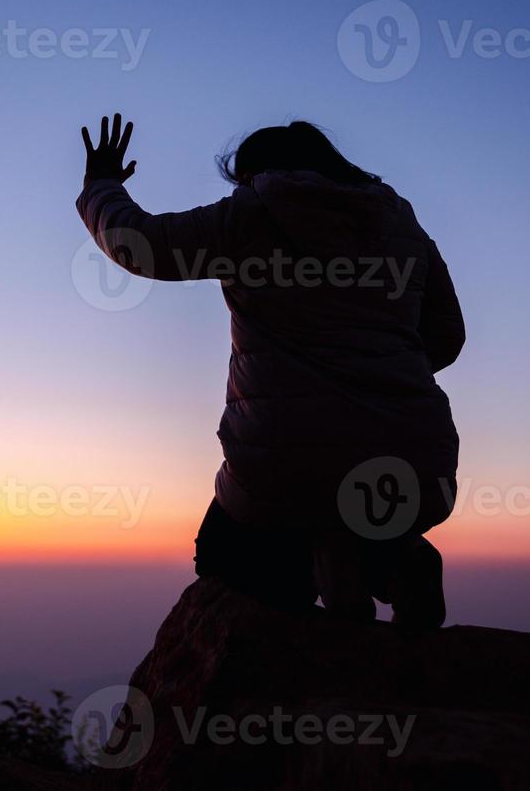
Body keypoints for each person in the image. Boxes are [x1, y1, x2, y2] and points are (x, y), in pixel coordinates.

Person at [76, 114, 464, 627]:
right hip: (413, 462)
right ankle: (387, 561)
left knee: (227, 556)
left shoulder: (252, 215)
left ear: (254, 172)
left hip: (284, 458)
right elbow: (447, 337)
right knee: (335, 509)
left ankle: (307, 652)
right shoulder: (402, 225)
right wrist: (380, 369)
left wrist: (101, 185)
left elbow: (142, 245)